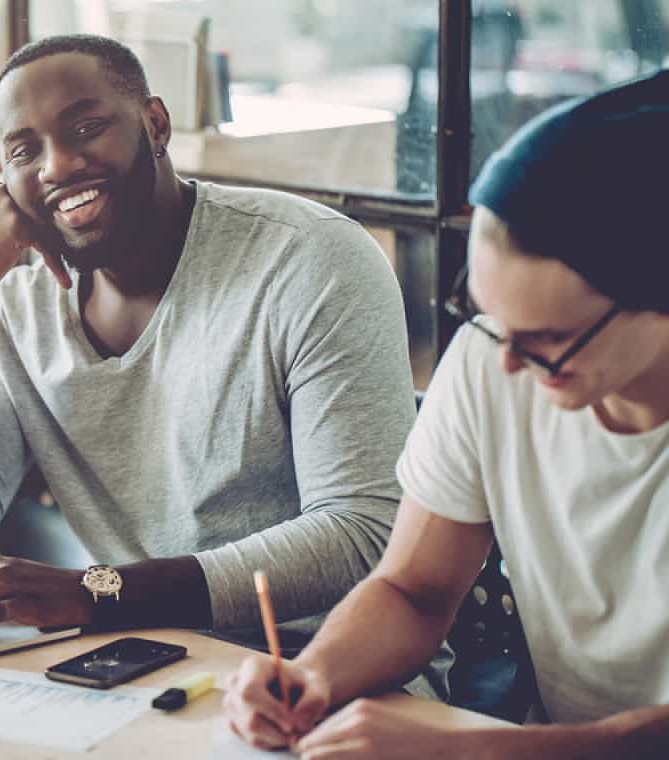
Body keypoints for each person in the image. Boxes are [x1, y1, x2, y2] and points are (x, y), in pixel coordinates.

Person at [0, 34, 441, 696]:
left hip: (326, 675)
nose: (58, 165)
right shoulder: (19, 308)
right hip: (145, 663)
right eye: (23, 150)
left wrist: (102, 594)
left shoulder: (311, 262)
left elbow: (360, 537)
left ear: (154, 125)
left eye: (86, 128)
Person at [224, 71, 669, 758]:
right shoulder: (491, 357)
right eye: (490, 319)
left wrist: (480, 750)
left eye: (547, 340)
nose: (508, 367)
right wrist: (314, 674)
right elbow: (416, 588)